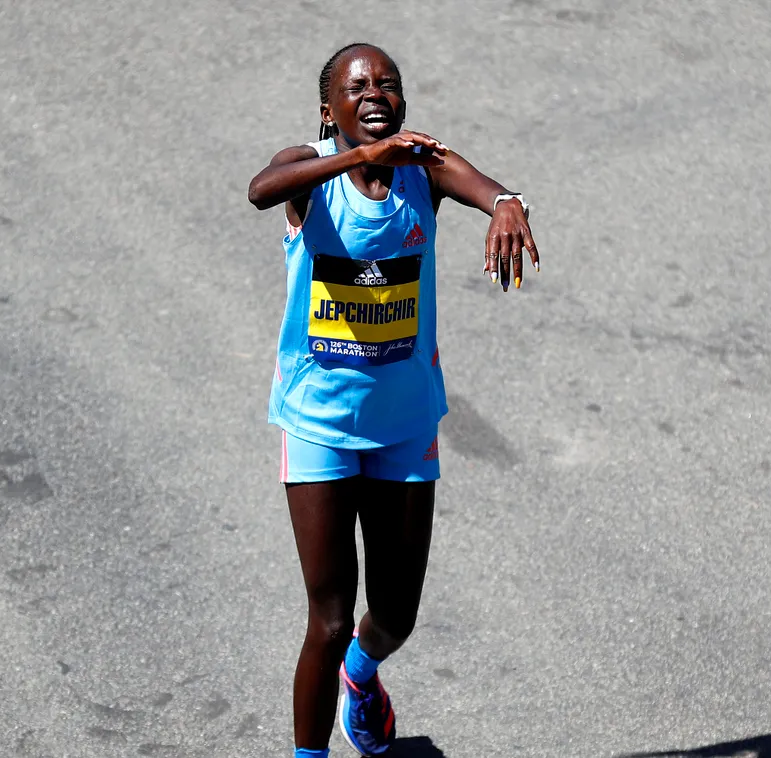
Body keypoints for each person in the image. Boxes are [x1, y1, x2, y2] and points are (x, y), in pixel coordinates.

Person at [246, 42, 540, 758]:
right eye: (357, 86)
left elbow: (487, 187)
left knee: (397, 614)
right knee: (328, 617)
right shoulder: (307, 173)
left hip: (405, 424)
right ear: (329, 110)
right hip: (318, 423)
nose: (376, 93)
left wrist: (504, 205)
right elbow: (260, 188)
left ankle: (362, 674)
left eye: (389, 83)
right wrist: (356, 160)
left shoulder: (422, 166)